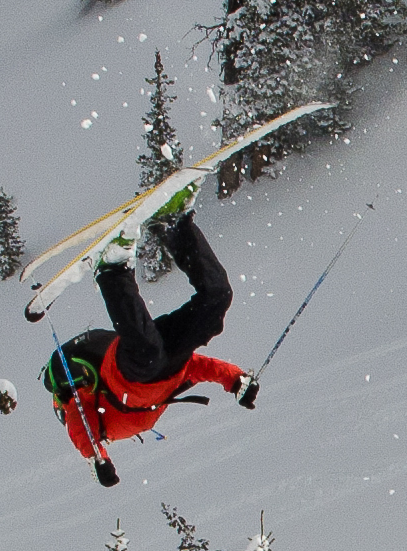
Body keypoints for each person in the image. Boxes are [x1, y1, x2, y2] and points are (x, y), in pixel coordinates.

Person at [44, 200, 252, 483]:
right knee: (216, 301)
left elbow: (81, 430)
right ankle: (177, 228)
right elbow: (198, 367)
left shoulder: (88, 413)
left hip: (127, 373)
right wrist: (236, 379)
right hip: (171, 365)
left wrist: (97, 459)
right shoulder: (113, 422)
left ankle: (112, 273)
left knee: (148, 353)